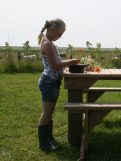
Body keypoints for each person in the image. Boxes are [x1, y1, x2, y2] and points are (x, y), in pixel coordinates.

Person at [37, 18, 80, 152]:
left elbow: (54, 64)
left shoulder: (47, 42)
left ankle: (49, 138)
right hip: (49, 81)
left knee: (49, 112)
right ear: (52, 29)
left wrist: (64, 67)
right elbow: (55, 65)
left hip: (51, 81)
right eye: (60, 34)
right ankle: (44, 144)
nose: (60, 37)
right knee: (46, 113)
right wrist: (71, 62)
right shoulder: (48, 44)